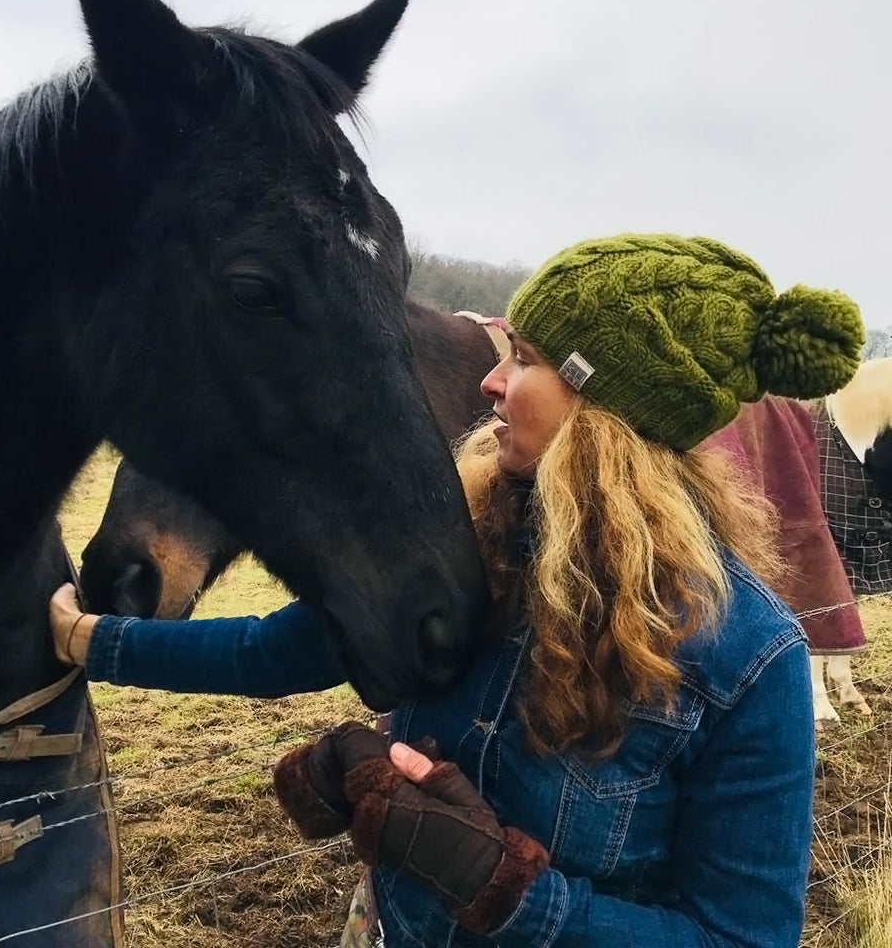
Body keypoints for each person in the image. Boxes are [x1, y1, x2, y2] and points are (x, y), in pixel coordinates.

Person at [51, 233, 865, 948]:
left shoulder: (748, 658)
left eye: (527, 360)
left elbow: (743, 936)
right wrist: (95, 640)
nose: (490, 382)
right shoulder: (461, 544)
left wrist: (501, 888)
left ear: (606, 405)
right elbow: (277, 647)